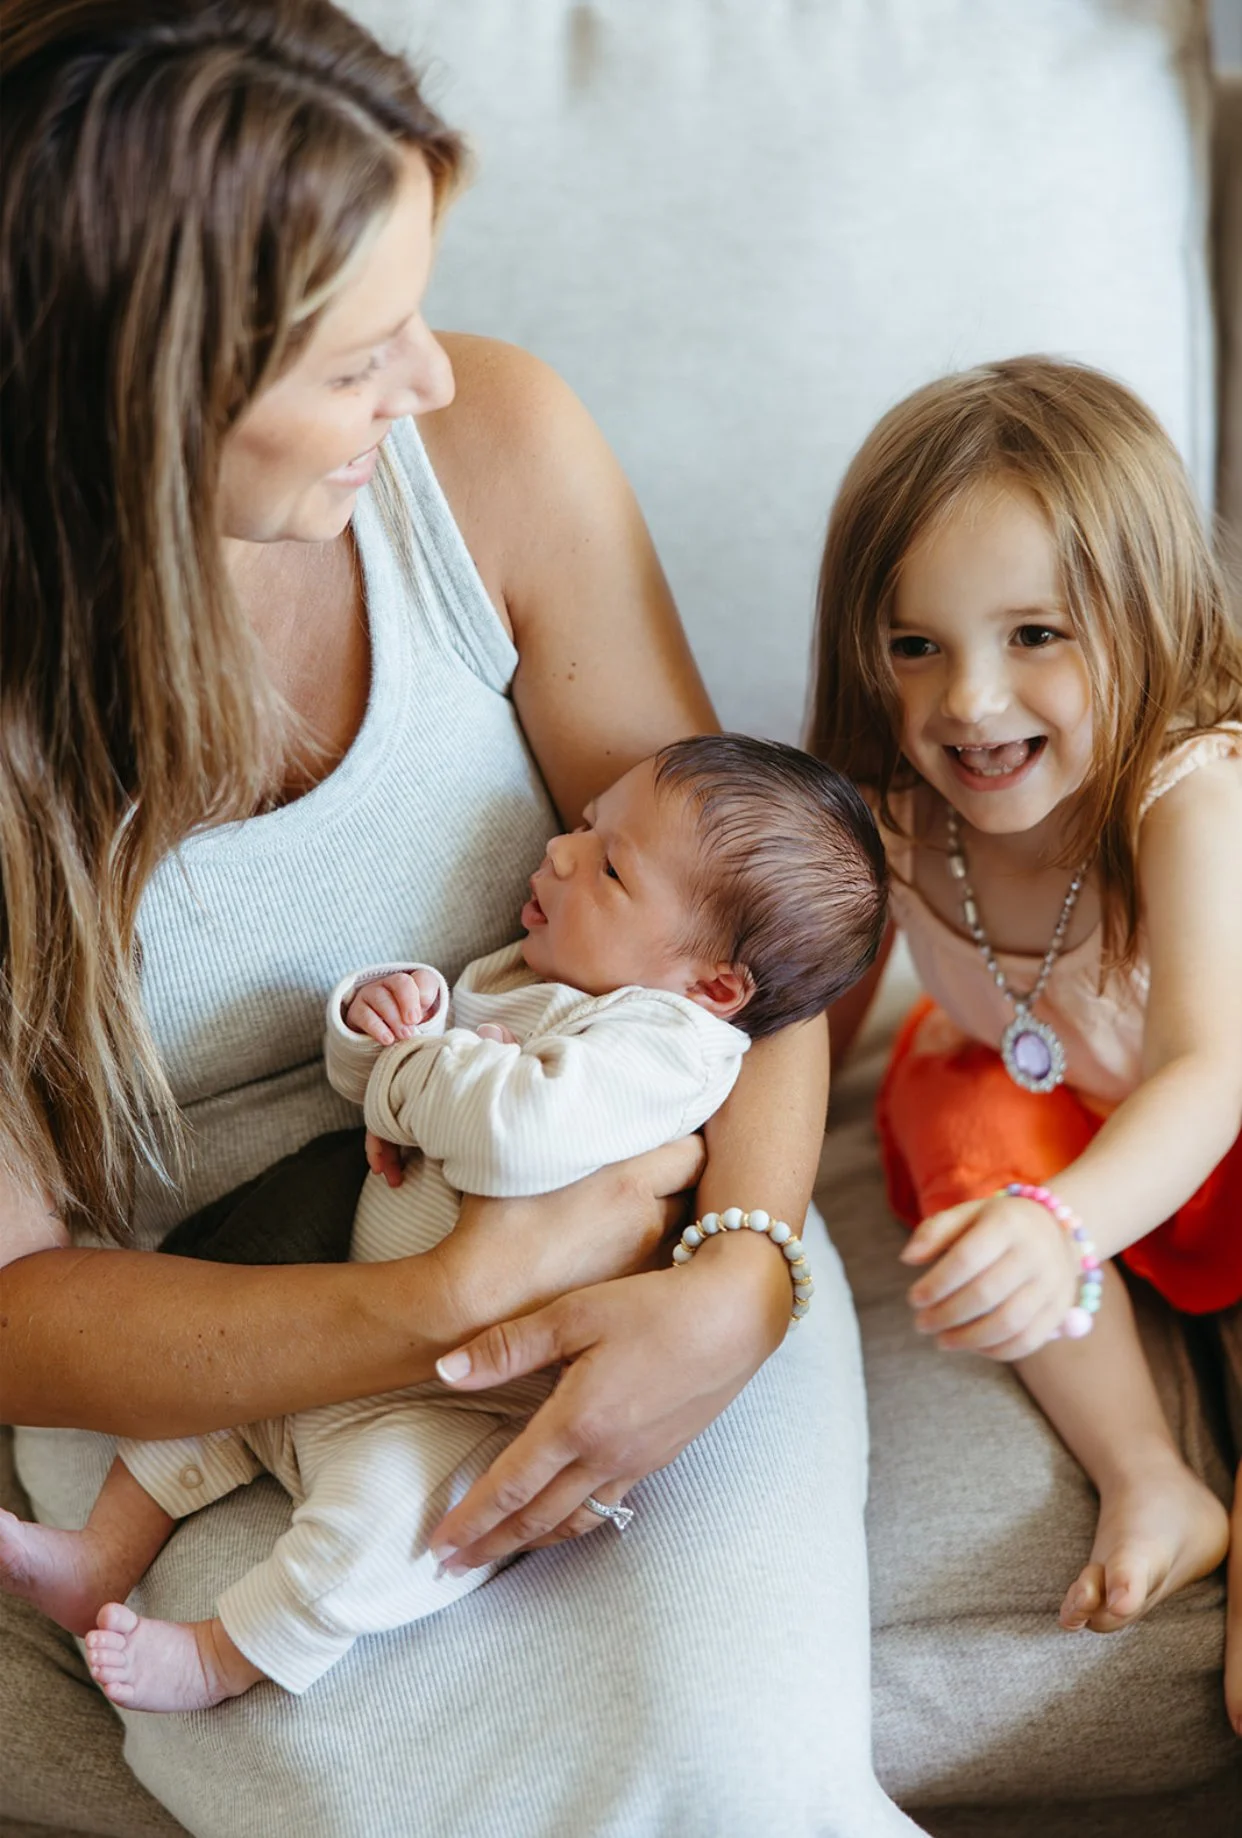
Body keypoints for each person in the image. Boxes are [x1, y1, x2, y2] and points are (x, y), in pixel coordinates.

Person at [1, 5, 924, 1833]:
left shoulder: (491, 449)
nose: (426, 379)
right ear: (141, 399)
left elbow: (755, 914)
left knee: (738, 1773)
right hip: (213, 1341)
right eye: (359, 358)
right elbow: (19, 1302)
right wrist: (438, 1299)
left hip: (639, 1252)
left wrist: (737, 1271)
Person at [1, 734, 887, 1710]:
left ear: (714, 984)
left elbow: (511, 1135)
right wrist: (381, 1018)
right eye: (586, 824)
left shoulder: (668, 1046)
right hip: (349, 1311)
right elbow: (399, 1092)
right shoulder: (538, 972)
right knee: (197, 1403)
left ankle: (227, 1650)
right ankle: (99, 1554)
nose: (559, 850)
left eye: (611, 865)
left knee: (378, 1524)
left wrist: (419, 1073)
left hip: (465, 1396)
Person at [809, 354, 1242, 1733]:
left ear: (1146, 614)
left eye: (1035, 635)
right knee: (949, 1097)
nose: (970, 705)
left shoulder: (1188, 792)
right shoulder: (889, 815)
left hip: (1211, 1107)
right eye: (914, 643)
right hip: (1070, 1137)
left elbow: (1204, 1070)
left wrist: (1062, 1224)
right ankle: (1147, 1473)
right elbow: (806, 1030)